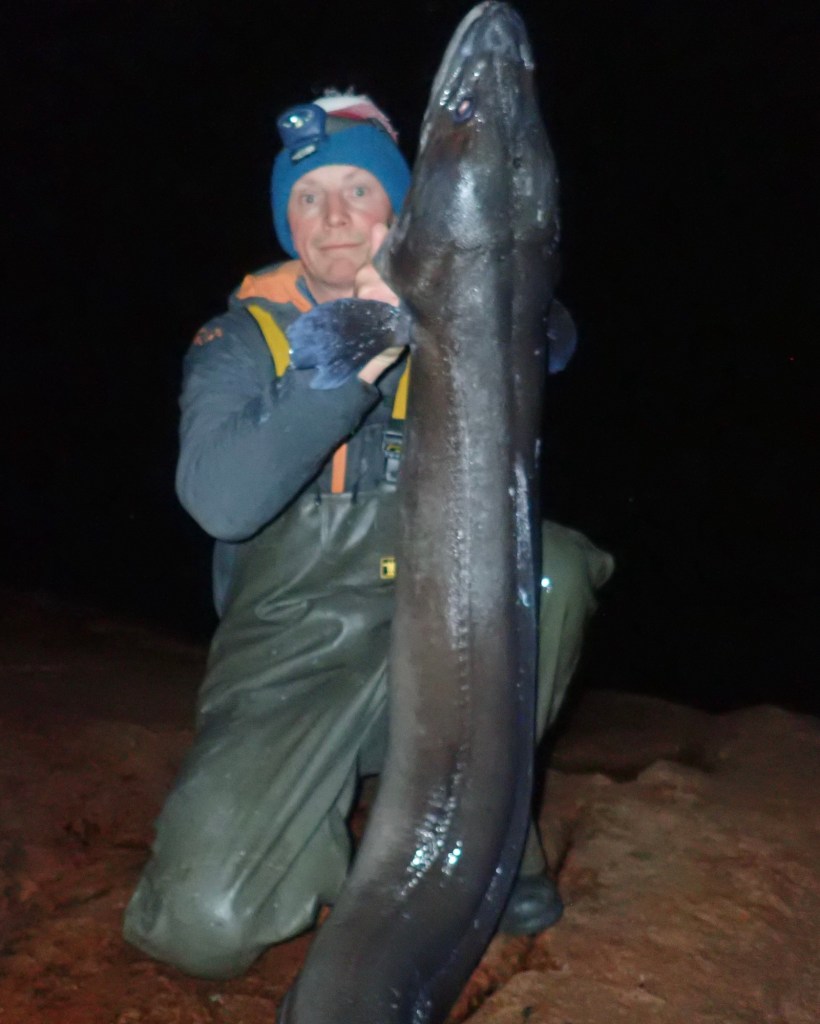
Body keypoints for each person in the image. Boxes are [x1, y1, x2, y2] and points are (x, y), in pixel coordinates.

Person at [123, 92, 614, 980]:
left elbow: (552, 337)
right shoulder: (239, 340)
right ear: (288, 221)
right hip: (292, 660)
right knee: (200, 927)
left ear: (401, 208)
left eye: (359, 190)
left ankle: (488, 824)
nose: (335, 216)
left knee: (556, 569)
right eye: (309, 197)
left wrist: (477, 292)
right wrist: (359, 350)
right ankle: (312, 830)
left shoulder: (455, 321)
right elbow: (221, 502)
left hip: (438, 653)